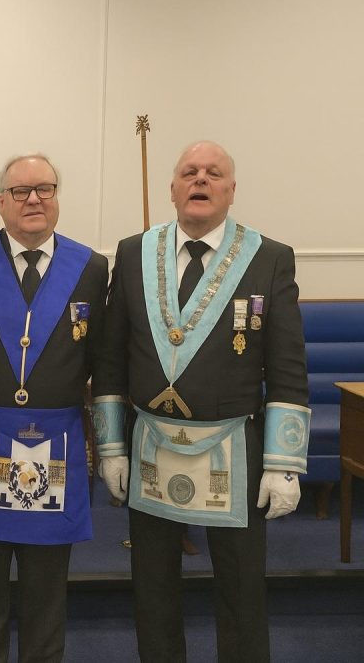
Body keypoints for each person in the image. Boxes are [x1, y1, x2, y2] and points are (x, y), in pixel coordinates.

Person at [93, 141, 310, 661]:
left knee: (241, 589)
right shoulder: (133, 253)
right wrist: (111, 445)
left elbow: (286, 366)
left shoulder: (268, 257)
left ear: (232, 190)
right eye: (190, 172)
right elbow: (110, 358)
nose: (201, 179)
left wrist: (283, 464)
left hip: (234, 448)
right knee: (152, 588)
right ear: (172, 189)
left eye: (214, 173)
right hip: (150, 444)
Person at [0, 155, 108, 662]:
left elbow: (100, 360)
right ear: (1, 201)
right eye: (20, 191)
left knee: (46, 594)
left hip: (57, 449)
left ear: (57, 197)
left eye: (45, 189)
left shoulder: (90, 267)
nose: (34, 199)